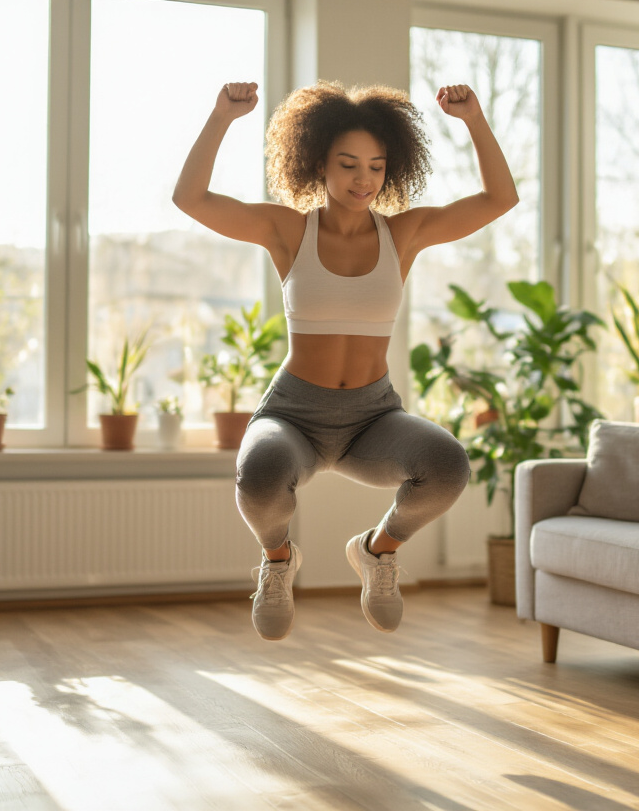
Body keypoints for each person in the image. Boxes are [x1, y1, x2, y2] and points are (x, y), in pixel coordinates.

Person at [172, 80, 518, 641]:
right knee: (258, 477)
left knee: (448, 466)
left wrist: (475, 120)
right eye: (349, 163)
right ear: (318, 163)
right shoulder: (288, 229)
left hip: (372, 417)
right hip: (294, 415)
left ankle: (378, 551)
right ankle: (278, 561)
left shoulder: (405, 234)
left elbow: (500, 200)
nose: (364, 180)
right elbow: (190, 199)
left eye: (377, 167)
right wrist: (220, 117)